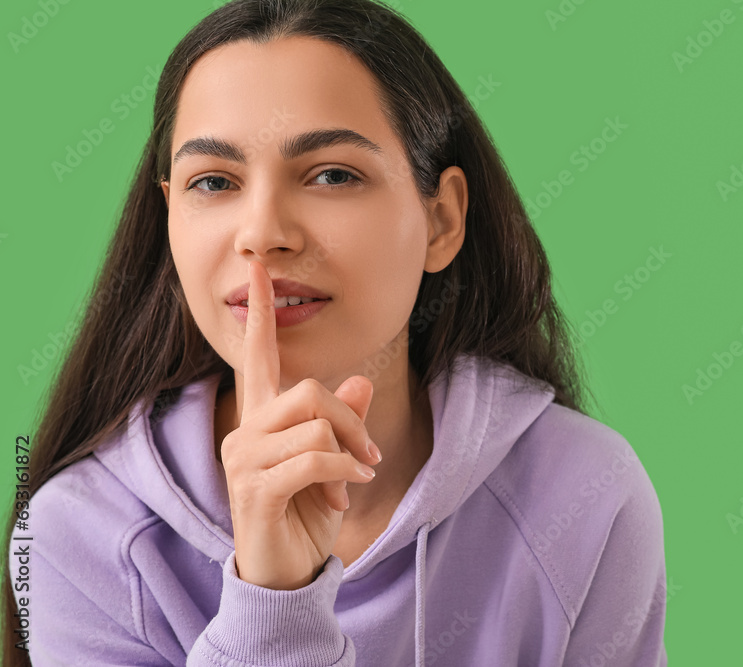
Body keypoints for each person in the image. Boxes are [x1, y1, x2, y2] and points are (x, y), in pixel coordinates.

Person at [2, 0, 668, 664]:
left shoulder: (584, 495)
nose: (262, 233)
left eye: (332, 174)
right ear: (169, 215)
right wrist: (272, 601)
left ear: (441, 221)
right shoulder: (79, 534)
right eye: (213, 181)